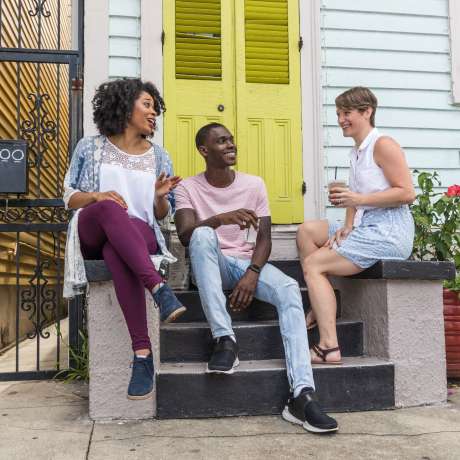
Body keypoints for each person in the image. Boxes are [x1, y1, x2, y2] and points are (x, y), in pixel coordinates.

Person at [174, 123, 338, 434]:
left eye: (231, 140)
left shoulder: (254, 184)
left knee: (290, 288)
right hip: (212, 263)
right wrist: (219, 219)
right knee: (203, 235)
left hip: (246, 263)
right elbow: (184, 235)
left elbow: (264, 237)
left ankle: (301, 395)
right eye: (221, 142)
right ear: (204, 150)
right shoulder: (188, 188)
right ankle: (225, 339)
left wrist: (252, 273)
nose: (230, 145)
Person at [62, 78, 186, 400]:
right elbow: (69, 197)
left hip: (139, 234)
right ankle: (158, 288)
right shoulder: (91, 146)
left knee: (115, 250)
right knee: (109, 209)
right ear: (124, 104)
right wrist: (96, 196)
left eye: (156, 109)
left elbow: (161, 215)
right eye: (147, 105)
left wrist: (159, 196)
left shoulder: (159, 156)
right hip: (93, 225)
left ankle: (142, 355)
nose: (153, 113)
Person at [297, 86, 415, 365]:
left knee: (314, 265)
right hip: (365, 225)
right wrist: (348, 225)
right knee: (307, 231)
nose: (340, 119)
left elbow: (406, 193)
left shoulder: (383, 144)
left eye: (346, 113)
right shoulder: (357, 151)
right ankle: (320, 301)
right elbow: (356, 196)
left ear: (367, 112)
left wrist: (358, 199)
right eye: (338, 113)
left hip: (389, 231)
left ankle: (328, 346)